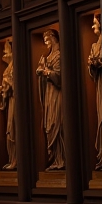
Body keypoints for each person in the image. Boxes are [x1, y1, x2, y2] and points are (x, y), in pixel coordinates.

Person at [36, 27, 64, 169]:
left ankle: (61, 160)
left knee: (56, 123)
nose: (46, 43)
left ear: (53, 37)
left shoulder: (59, 55)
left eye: (47, 40)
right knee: (49, 124)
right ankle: (54, 159)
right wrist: (41, 72)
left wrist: (46, 72)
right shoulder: (47, 56)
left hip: (57, 95)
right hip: (49, 94)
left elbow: (59, 77)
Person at [89, 14, 102, 172]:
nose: (93, 27)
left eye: (95, 23)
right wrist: (93, 65)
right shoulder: (94, 46)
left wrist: (100, 62)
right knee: (101, 116)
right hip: (100, 85)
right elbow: (92, 72)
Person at [0, 38, 16, 170]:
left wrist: (8, 85)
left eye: (7, 49)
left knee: (14, 130)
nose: (4, 51)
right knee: (9, 130)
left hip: (16, 103)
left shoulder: (15, 68)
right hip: (10, 102)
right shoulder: (8, 69)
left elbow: (16, 86)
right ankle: (13, 159)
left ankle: (16, 160)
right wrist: (1, 91)